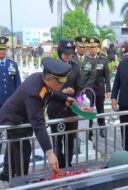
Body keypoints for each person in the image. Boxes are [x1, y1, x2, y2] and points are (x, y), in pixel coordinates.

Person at [0, 57, 74, 181]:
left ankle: (7, 174)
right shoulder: (33, 91)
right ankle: (21, 181)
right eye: (60, 82)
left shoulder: (42, 80)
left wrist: (64, 99)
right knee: (23, 150)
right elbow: (38, 123)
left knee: (15, 148)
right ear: (49, 78)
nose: (63, 84)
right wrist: (50, 153)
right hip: (14, 119)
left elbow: (51, 92)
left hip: (22, 118)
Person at [47, 38, 82, 168]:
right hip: (56, 109)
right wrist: (63, 93)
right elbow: (49, 88)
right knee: (57, 140)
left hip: (71, 110)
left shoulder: (75, 68)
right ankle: (59, 165)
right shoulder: (52, 67)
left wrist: (76, 97)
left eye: (70, 53)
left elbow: (80, 88)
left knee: (70, 140)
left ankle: (68, 164)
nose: (68, 55)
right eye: (65, 52)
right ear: (60, 52)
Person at [88, 37, 111, 138]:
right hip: (88, 91)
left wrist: (108, 90)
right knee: (89, 111)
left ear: (98, 48)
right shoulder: (85, 60)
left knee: (100, 110)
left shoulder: (103, 60)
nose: (92, 49)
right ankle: (89, 130)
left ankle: (102, 128)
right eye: (91, 47)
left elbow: (107, 77)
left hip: (99, 90)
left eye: (94, 47)